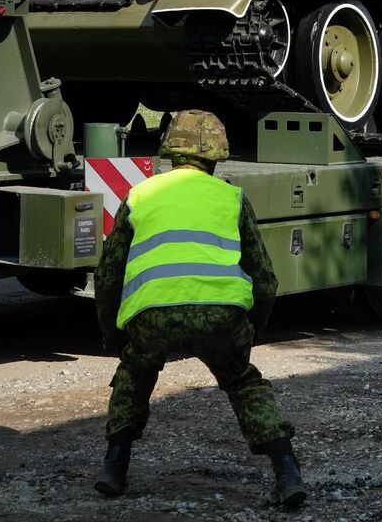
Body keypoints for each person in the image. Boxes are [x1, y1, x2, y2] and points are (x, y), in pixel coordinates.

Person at [92, 110, 306, 509]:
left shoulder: (141, 194)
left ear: (170, 149)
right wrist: (251, 331)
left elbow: (107, 275)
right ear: (217, 155)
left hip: (152, 315)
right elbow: (265, 279)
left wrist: (112, 333)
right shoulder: (232, 198)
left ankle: (114, 468)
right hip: (222, 316)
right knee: (242, 383)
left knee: (135, 373)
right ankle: (287, 472)